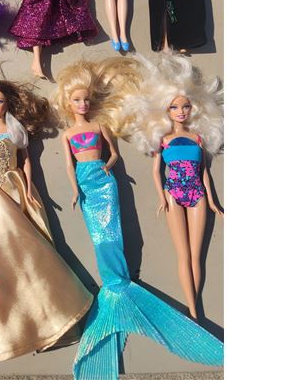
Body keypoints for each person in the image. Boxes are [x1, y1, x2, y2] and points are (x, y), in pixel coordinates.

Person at [54, 59, 223, 379]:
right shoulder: (69, 134)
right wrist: (75, 190)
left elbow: (116, 155)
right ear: (69, 102)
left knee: (187, 253)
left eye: (86, 99)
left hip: (110, 183)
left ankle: (192, 309)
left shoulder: (102, 127)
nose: (83, 104)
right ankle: (123, 290)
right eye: (77, 99)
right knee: (105, 239)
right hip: (96, 186)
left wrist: (212, 201)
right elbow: (68, 165)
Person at [0, 77, 93, 361]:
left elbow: (26, 160)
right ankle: (13, 321)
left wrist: (27, 188)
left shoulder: (15, 129)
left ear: (7, 105)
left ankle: (50, 313)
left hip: (13, 186)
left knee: (28, 248)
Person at [118, 51, 224, 319]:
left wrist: (212, 201)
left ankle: (194, 308)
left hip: (198, 195)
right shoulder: (163, 140)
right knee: (183, 255)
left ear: (193, 108)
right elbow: (157, 172)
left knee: (196, 255)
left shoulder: (197, 138)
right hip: (174, 194)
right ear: (165, 110)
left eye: (185, 106)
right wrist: (162, 196)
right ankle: (194, 311)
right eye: (174, 107)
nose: (180, 112)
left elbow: (203, 172)